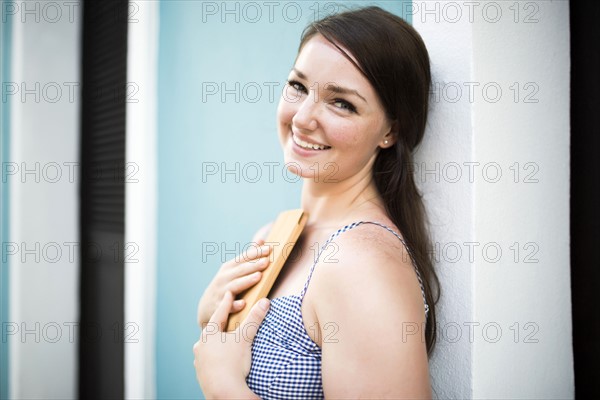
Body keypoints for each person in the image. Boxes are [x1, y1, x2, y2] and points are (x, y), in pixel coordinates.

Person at [193, 6, 440, 399]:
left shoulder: (361, 264)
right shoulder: (277, 235)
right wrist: (213, 318)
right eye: (298, 86)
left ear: (390, 130)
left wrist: (222, 386)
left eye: (341, 102)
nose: (303, 118)